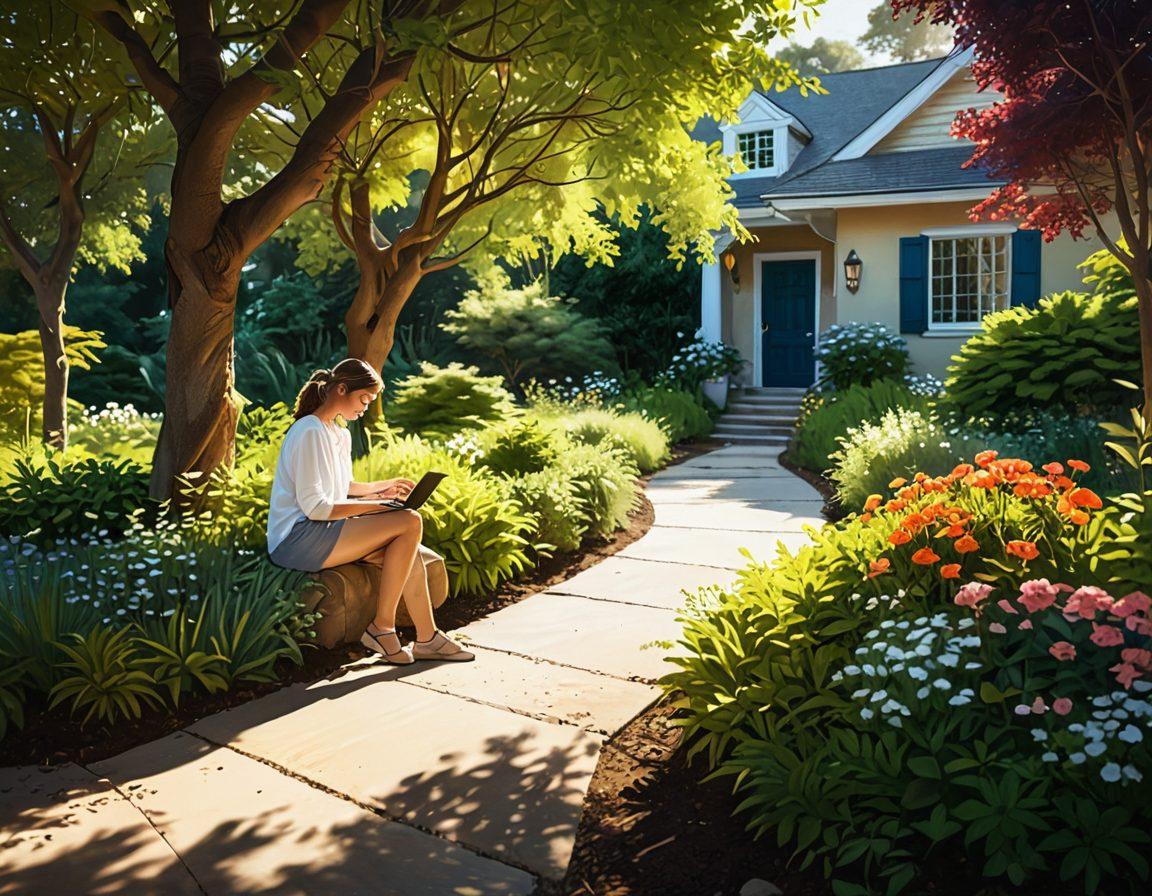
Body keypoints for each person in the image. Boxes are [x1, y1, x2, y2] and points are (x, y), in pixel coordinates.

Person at [267, 358, 474, 665]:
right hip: (297, 539)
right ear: (341, 389)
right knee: (409, 520)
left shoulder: (339, 433)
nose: (365, 408)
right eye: (364, 399)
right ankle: (382, 629)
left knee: (405, 547)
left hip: (323, 531)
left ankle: (427, 637)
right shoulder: (308, 431)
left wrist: (382, 488)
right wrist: (381, 507)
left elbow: (342, 485)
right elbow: (316, 507)